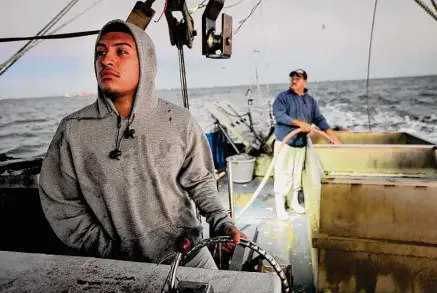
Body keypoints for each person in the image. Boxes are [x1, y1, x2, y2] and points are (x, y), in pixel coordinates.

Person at [38, 19, 246, 269]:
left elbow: (200, 180)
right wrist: (105, 247)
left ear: (146, 63)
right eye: (100, 52)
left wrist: (222, 222)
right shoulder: (73, 130)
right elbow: (61, 201)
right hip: (116, 266)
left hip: (189, 257)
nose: (106, 60)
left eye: (121, 51)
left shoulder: (179, 121)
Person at [272, 69, 340, 219]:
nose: (294, 80)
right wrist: (299, 123)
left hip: (301, 143)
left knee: (296, 173)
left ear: (305, 81)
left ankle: (293, 202)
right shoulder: (283, 97)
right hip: (285, 142)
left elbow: (319, 119)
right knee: (283, 173)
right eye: (292, 78)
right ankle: (280, 206)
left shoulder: (310, 101)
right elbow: (279, 114)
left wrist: (331, 134)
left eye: (298, 78)